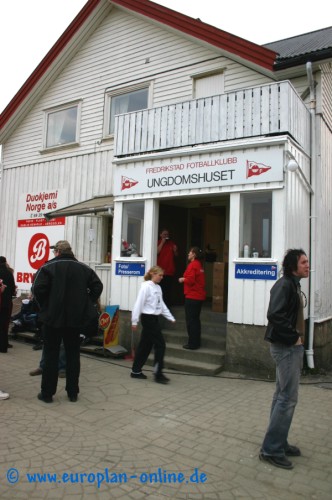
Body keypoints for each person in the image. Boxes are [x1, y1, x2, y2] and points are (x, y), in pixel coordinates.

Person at [32, 240, 103, 403]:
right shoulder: (84, 268)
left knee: (51, 355)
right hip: (75, 319)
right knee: (73, 354)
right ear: (70, 252)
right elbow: (98, 286)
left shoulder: (46, 267)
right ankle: (72, 393)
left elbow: (37, 289)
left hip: (52, 319)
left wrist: (46, 306)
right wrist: (86, 302)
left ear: (57, 252)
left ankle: (47, 394)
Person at [259, 248, 309, 470]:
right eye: (303, 262)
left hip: (289, 347)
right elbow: (275, 314)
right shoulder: (284, 285)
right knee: (287, 398)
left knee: (281, 396)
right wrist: (294, 338)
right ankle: (271, 449)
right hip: (286, 347)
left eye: (307, 262)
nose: (308, 265)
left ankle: (278, 441)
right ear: (292, 266)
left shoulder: (293, 284)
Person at [131, 266, 176, 384]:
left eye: (162, 276)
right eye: (159, 275)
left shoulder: (158, 288)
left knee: (145, 345)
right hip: (147, 319)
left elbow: (161, 305)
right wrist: (134, 320)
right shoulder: (146, 287)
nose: (161, 277)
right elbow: (138, 304)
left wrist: (170, 317)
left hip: (154, 318)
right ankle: (158, 373)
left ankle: (135, 371)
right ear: (152, 274)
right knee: (160, 345)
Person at [179, 246, 206, 350]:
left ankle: (192, 344)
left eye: (190, 252)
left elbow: (190, 280)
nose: (188, 254)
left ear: (194, 254)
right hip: (199, 296)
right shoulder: (199, 265)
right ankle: (196, 342)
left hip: (192, 296)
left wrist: (182, 279)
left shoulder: (192, 265)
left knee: (191, 321)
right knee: (195, 320)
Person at [157, 229, 178, 309]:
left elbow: (176, 255)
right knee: (160, 289)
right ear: (160, 235)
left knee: (168, 289)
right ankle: (159, 305)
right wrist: (162, 242)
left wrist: (175, 251)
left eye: (167, 234)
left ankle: (167, 305)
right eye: (164, 234)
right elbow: (156, 252)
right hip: (160, 271)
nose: (166, 236)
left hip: (169, 270)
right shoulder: (158, 242)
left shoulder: (171, 243)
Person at [0, 256, 16, 353]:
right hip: (6, 303)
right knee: (4, 324)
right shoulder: (9, 273)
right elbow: (13, 289)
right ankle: (3, 346)